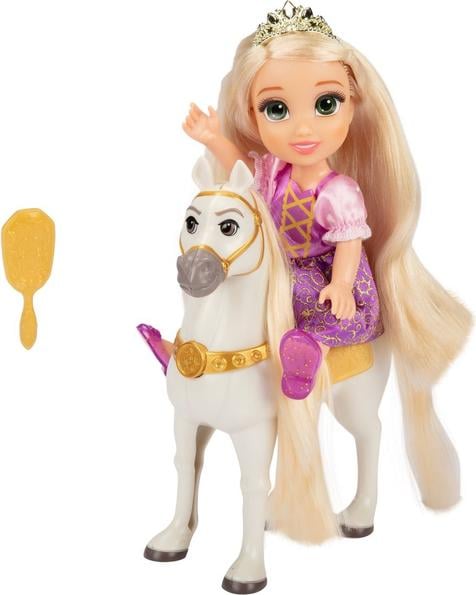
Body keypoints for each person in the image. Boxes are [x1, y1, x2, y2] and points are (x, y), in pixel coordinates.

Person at [182, 2, 471, 403]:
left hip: (324, 274)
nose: (303, 128)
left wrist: (341, 284)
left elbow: (349, 244)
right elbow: (239, 173)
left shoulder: (338, 193)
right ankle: (192, 352)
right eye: (277, 109)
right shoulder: (272, 174)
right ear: (252, 113)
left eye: (325, 105)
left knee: (332, 315)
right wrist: (214, 138)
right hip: (277, 270)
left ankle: (309, 354)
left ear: (352, 105)